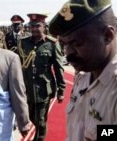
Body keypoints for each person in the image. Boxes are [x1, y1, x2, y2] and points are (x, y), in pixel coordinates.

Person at [49, 0, 117, 140]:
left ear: (107, 36)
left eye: (77, 43)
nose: (67, 54)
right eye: (64, 44)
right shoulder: (84, 73)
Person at [18, 13, 66, 141]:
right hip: (26, 89)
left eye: (37, 25)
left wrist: (61, 90)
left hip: (43, 91)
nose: (33, 28)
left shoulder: (52, 44)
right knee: (30, 117)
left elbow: (58, 68)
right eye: (31, 26)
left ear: (44, 26)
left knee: (40, 122)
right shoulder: (23, 43)